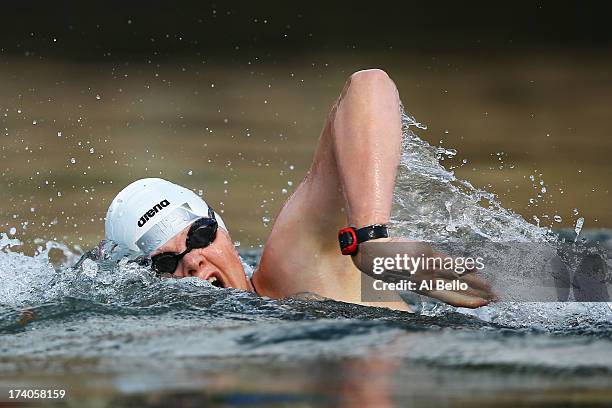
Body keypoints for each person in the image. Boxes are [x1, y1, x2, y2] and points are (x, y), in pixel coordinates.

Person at [105, 69, 495, 311]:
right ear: (147, 284)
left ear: (222, 230)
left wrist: (369, 239)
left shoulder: (293, 267)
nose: (192, 262)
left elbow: (367, 85)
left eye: (200, 235)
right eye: (165, 263)